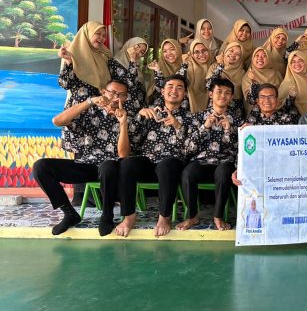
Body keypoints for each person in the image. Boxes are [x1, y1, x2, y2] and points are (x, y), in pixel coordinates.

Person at [33, 79, 130, 236]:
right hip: (86, 165)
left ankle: (107, 215)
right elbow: (57, 121)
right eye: (112, 92)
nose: (115, 97)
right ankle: (69, 213)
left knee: (109, 165)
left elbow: (123, 154)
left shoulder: (129, 116)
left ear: (125, 98)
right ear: (103, 92)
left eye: (121, 95)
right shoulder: (89, 112)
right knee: (41, 167)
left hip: (112, 170)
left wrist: (123, 123)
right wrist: (89, 101)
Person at [57, 21, 137, 204]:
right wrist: (68, 62)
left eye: (103, 35)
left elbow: (127, 81)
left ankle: (99, 196)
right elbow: (65, 83)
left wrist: (133, 62)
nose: (101, 38)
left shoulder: (105, 56)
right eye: (97, 34)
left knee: (97, 152)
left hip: (101, 110)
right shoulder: (73, 53)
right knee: (81, 152)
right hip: (80, 109)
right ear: (87, 34)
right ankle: (81, 197)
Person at [114, 75, 195, 237]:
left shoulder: (191, 118)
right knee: (126, 163)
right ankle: (129, 216)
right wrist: (139, 115)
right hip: (149, 162)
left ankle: (164, 217)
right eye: (170, 86)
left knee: (166, 164)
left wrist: (178, 126)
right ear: (162, 91)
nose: (174, 90)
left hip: (173, 165)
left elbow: (192, 149)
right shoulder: (151, 113)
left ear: (185, 94)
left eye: (179, 88)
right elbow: (133, 141)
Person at [178, 78, 238, 231]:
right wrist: (204, 127)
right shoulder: (197, 118)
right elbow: (188, 148)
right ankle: (192, 216)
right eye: (219, 92)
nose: (223, 95)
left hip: (224, 162)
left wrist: (228, 130)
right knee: (188, 173)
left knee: (224, 173)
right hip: (201, 161)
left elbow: (239, 149)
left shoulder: (237, 120)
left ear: (231, 97)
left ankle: (218, 216)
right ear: (211, 94)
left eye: (227, 93)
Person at [233, 83, 295, 188]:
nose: (267, 100)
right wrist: (238, 169)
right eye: (262, 97)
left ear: (277, 100)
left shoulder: (286, 120)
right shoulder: (250, 123)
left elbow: (291, 148)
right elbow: (244, 150)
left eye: (271, 96)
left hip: (279, 170)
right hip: (257, 169)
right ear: (257, 101)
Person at [206, 41, 246, 122]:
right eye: (231, 51)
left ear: (240, 58)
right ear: (225, 51)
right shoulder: (214, 67)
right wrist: (220, 66)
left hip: (235, 109)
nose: (233, 54)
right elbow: (209, 85)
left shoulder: (242, 73)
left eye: (237, 54)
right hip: (217, 105)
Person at [242, 47, 283, 114]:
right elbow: (251, 100)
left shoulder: (276, 74)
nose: (260, 58)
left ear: (269, 58)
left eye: (264, 56)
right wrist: (253, 82)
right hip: (255, 115)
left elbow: (282, 95)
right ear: (252, 58)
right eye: (257, 55)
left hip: (276, 112)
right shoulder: (248, 76)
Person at [147, 39, 187, 108]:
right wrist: (157, 71)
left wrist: (184, 65)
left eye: (172, 49)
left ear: (178, 50)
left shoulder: (188, 65)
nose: (168, 53)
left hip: (184, 110)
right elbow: (157, 91)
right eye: (164, 51)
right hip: (160, 109)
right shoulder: (159, 67)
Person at [278, 51, 307, 117]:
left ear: (305, 62)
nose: (297, 64)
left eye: (300, 61)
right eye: (293, 62)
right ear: (289, 65)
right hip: (297, 121)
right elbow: (279, 106)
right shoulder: (287, 83)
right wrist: (290, 97)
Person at [114, 37, 148, 110]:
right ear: (129, 45)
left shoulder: (136, 67)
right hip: (125, 107)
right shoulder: (115, 62)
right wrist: (132, 59)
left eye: (142, 52)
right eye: (137, 47)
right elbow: (129, 84)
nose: (138, 52)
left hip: (140, 107)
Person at [185, 40, 212, 113]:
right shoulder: (186, 67)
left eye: (204, 50)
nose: (201, 54)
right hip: (188, 108)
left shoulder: (215, 66)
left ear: (209, 51)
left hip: (211, 109)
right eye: (196, 52)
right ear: (192, 55)